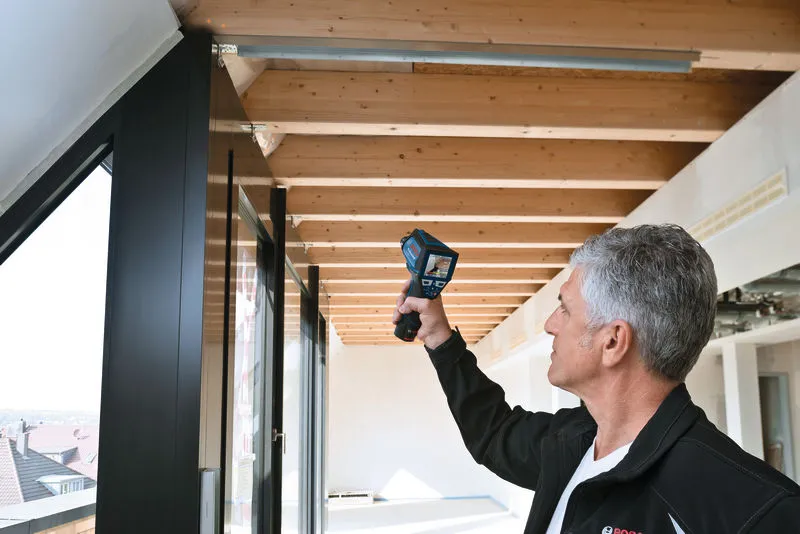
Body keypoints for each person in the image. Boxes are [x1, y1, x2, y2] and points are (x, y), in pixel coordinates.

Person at [393, 224, 800, 533]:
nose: (551, 325)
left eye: (565, 309)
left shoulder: (754, 508)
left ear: (613, 341)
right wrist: (438, 337)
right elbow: (494, 433)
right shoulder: (574, 441)